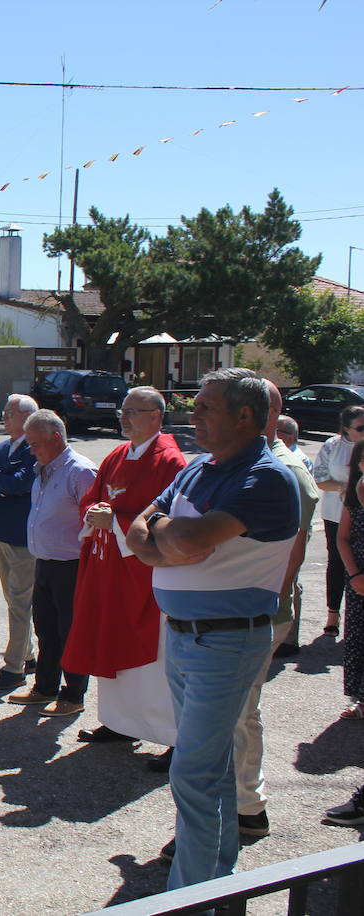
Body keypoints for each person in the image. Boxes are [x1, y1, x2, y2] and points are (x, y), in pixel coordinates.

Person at [127, 368, 299, 896]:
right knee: (211, 767)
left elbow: (191, 535)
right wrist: (165, 535)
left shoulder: (265, 477)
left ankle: (190, 897)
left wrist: (164, 533)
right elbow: (145, 528)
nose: (193, 415)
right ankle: (214, 884)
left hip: (224, 639)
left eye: (206, 407)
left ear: (244, 416)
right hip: (186, 635)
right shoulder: (201, 469)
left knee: (194, 772)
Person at [61, 387, 186, 746]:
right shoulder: (117, 454)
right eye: (123, 412)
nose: (124, 418)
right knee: (109, 638)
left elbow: (167, 519)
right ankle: (120, 722)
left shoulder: (171, 462)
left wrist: (113, 520)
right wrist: (95, 514)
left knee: (152, 659)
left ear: (156, 417)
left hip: (140, 572)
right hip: (108, 566)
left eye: (133, 412)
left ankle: (170, 735)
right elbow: (93, 498)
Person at [232, 380, 317, 838]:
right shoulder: (245, 464)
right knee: (239, 712)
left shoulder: (284, 470)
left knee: (239, 713)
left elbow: (293, 553)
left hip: (259, 613)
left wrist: (265, 612)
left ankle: (245, 808)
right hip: (240, 611)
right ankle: (244, 806)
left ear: (255, 415)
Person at [5, 410, 97, 717]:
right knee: (45, 629)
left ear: (56, 438)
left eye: (35, 444)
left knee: (70, 631)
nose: (31, 450)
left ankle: (73, 694)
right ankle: (45, 687)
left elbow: (95, 524)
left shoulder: (81, 471)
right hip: (44, 562)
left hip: (70, 566)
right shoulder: (43, 468)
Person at [0, 394, 39, 692]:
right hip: (1, 532)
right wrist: (3, 482)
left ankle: (14, 667)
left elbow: (21, 483)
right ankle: (27, 655)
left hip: (23, 537)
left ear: (26, 417)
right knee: (12, 598)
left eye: (9, 412)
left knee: (19, 601)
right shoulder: (2, 447)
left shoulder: (33, 448)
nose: (4, 416)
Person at [311, 405, 364, 639]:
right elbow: (320, 479)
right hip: (336, 512)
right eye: (361, 427)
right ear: (346, 429)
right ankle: (333, 614)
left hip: (359, 512)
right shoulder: (332, 446)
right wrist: (348, 489)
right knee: (337, 561)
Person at [335, 439, 364, 722]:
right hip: (357, 578)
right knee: (357, 636)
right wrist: (355, 574)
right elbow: (342, 539)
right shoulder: (352, 498)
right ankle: (360, 698)